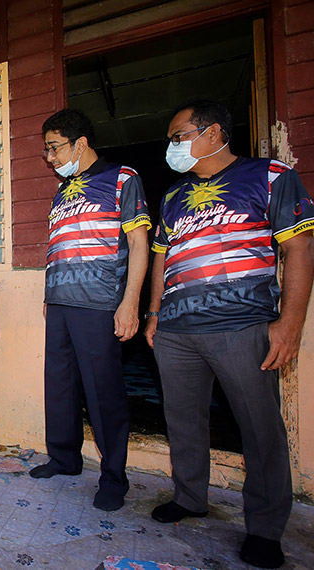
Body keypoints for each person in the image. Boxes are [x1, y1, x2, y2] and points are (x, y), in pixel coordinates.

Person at [145, 99, 314, 569]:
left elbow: (299, 248)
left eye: (179, 135)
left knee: (259, 428)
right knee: (183, 421)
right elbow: (162, 256)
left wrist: (290, 323)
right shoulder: (174, 196)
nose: (172, 145)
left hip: (242, 326)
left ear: (214, 133)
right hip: (177, 329)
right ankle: (190, 497)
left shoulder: (270, 176)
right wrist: (154, 314)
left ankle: (264, 528)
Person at [29, 109, 151, 512]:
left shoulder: (121, 178)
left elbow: (138, 245)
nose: (48, 156)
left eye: (53, 147)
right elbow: (58, 247)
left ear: (80, 143)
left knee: (104, 392)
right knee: (59, 386)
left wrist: (130, 302)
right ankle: (64, 459)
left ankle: (114, 477)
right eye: (46, 149)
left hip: (98, 302)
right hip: (61, 304)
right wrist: (49, 296)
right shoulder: (63, 191)